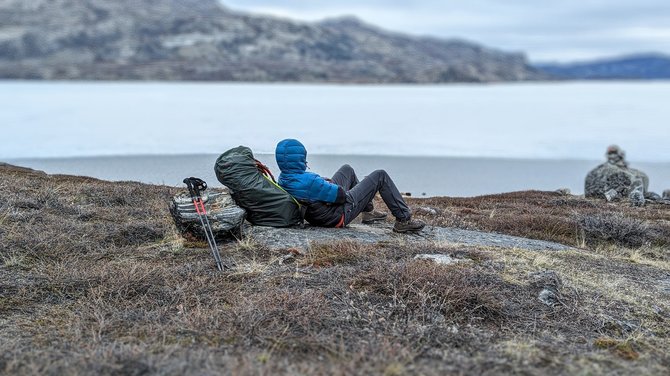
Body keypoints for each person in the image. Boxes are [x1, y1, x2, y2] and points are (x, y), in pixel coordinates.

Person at [275, 139, 425, 233]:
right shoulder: (310, 181)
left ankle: (368, 212)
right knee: (380, 175)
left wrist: (323, 183)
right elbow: (340, 196)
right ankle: (403, 221)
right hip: (336, 216)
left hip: (320, 214)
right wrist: (325, 184)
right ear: (300, 158)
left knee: (347, 169)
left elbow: (310, 189)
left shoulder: (283, 178)